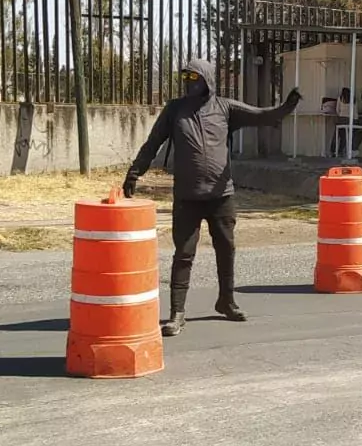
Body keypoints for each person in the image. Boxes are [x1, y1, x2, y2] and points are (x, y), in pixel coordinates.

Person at [122, 59, 302, 337]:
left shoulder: (225, 108)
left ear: (207, 79)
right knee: (184, 254)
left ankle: (226, 301)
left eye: (195, 78)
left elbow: (263, 115)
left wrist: (287, 107)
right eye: (186, 78)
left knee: (226, 249)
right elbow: (153, 142)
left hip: (221, 196)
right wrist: (135, 172)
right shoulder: (174, 110)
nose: (189, 83)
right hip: (187, 196)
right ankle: (177, 313)